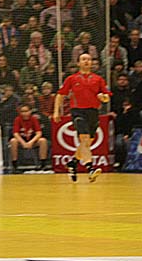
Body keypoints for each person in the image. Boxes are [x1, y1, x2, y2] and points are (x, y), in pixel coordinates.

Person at [53, 52, 111, 183]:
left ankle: (73, 163)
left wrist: (103, 98)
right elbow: (60, 95)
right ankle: (90, 169)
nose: (86, 61)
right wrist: (56, 111)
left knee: (87, 142)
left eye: (89, 59)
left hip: (93, 112)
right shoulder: (72, 79)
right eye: (83, 59)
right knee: (84, 139)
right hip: (78, 112)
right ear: (78, 63)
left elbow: (106, 96)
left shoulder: (98, 79)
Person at [10, 104, 48, 173]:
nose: (24, 113)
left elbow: (39, 133)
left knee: (43, 140)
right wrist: (23, 143)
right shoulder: (17, 119)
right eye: (22, 111)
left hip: (32, 141)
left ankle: (43, 164)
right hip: (21, 141)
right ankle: (14, 165)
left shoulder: (34, 119)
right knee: (13, 141)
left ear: (30, 111)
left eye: (26, 111)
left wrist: (31, 142)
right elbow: (15, 134)